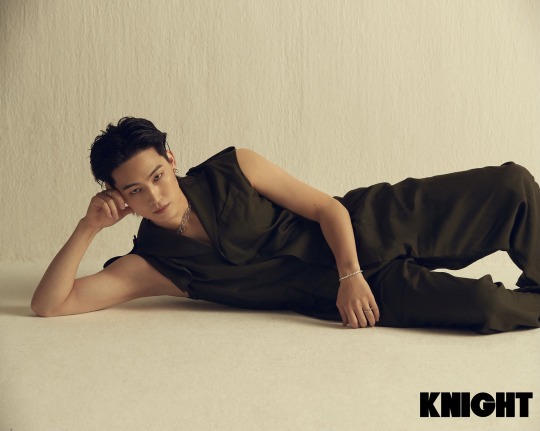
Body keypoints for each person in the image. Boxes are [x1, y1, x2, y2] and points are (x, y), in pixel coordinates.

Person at [31, 117, 540, 334]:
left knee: (511, 185)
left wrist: (350, 273)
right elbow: (50, 304)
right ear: (119, 197)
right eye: (135, 191)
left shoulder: (236, 167)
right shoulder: (152, 265)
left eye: (157, 176)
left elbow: (327, 209)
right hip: (354, 295)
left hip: (367, 225)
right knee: (487, 306)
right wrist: (87, 227)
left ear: (171, 157)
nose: (155, 196)